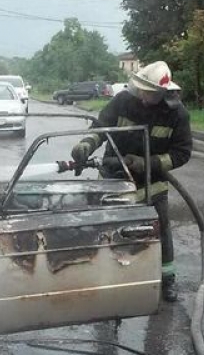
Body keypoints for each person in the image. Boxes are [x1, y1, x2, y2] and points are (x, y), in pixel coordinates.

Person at [70, 61, 192, 302]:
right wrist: (86, 144)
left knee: (161, 229)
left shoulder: (177, 114)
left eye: (151, 93)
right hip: (112, 179)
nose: (144, 97)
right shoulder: (123, 101)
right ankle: (102, 275)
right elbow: (101, 127)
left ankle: (166, 280)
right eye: (142, 90)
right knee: (103, 229)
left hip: (151, 183)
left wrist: (148, 163)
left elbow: (181, 153)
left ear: (163, 93)